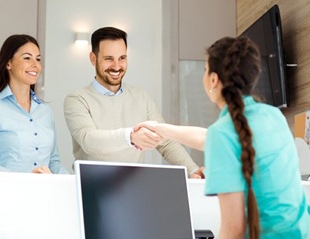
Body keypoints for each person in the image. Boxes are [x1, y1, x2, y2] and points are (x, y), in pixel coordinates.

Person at [136, 36, 310, 238]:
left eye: (205, 69)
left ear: (213, 79)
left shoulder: (223, 133)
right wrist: (159, 128)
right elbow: (208, 138)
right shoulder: (273, 116)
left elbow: (233, 229)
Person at [63, 26, 204, 178]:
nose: (117, 66)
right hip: (90, 186)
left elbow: (165, 142)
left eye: (122, 58)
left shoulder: (142, 97)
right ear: (93, 58)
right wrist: (130, 136)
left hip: (132, 186)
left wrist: (192, 170)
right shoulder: (77, 99)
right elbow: (89, 141)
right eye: (109, 58)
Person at [0, 34, 68, 174]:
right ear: (8, 63)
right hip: (9, 193)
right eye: (27, 58)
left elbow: (53, 162)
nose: (35, 65)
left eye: (38, 59)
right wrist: (25, 178)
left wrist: (71, 181)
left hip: (44, 193)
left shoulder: (45, 111)